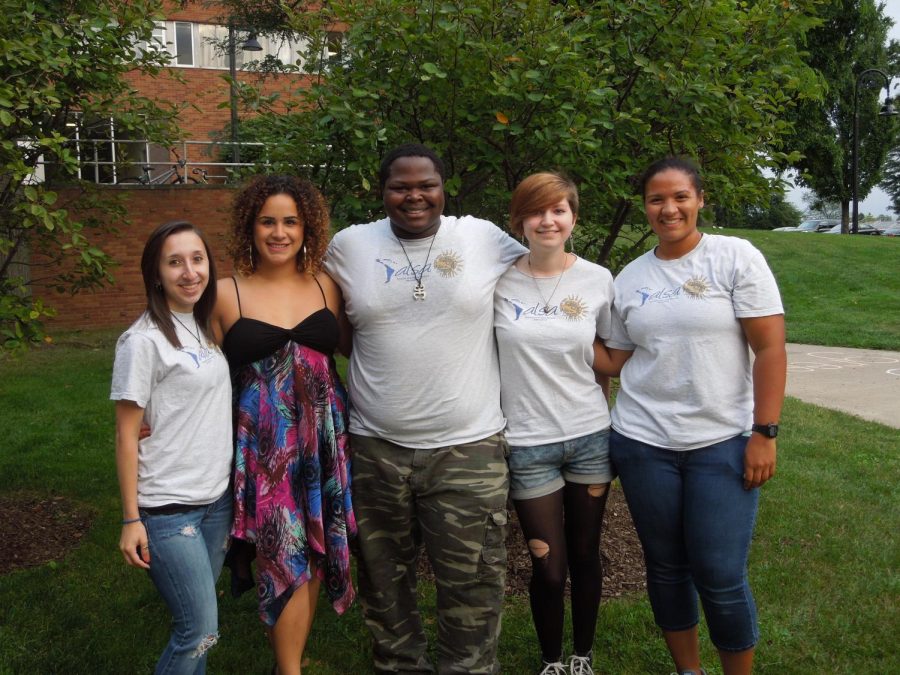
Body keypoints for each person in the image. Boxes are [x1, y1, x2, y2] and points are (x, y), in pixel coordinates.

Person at [324, 143, 525, 674]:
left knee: (475, 581)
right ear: (382, 191)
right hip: (375, 447)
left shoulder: (481, 237)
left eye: (425, 185)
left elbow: (547, 265)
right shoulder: (350, 246)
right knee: (383, 580)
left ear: (444, 188)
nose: (414, 196)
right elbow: (322, 315)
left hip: (468, 447)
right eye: (400, 186)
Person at [596, 157, 786, 675]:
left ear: (700, 199)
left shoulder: (734, 257)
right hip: (642, 442)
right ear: (644, 207)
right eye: (656, 199)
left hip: (721, 440)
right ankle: (689, 671)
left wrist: (764, 433)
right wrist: (554, 332)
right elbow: (614, 358)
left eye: (680, 196)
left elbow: (770, 349)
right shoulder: (630, 278)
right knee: (667, 568)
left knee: (720, 572)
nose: (668, 207)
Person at [211, 175, 355, 675]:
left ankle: (287, 659)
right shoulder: (226, 294)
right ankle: (290, 669)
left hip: (322, 440)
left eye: (290, 221)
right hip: (264, 447)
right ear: (249, 228)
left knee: (315, 547)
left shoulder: (327, 285)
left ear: (306, 227)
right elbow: (196, 372)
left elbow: (358, 354)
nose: (279, 232)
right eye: (267, 221)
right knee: (282, 549)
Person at [493, 172, 615, 675]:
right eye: (536, 211)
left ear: (573, 218)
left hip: (589, 437)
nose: (548, 220)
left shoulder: (598, 279)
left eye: (558, 210)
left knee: (586, 556)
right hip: (526, 442)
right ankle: (551, 660)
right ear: (520, 220)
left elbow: (610, 356)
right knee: (548, 566)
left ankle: (582, 658)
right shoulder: (497, 280)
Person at [112, 220, 233, 675]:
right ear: (155, 274)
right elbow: (126, 434)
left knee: (197, 633)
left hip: (215, 501)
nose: (189, 272)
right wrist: (130, 519)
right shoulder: (142, 341)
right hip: (167, 509)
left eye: (197, 259)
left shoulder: (202, 326)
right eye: (175, 262)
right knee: (199, 630)